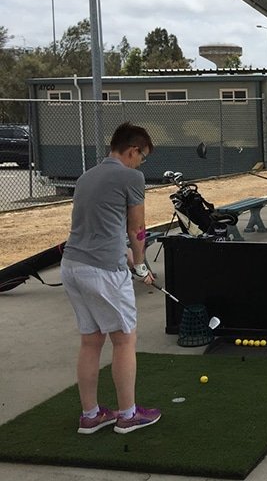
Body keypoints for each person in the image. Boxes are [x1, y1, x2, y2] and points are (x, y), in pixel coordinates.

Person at [60, 122, 160, 435]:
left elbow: (101, 227)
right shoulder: (132, 176)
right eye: (141, 157)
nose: (141, 163)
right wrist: (141, 265)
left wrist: (128, 256)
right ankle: (128, 415)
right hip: (103, 272)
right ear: (133, 151)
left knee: (91, 341)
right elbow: (137, 229)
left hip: (72, 266)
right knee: (124, 339)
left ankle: (90, 415)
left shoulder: (86, 177)